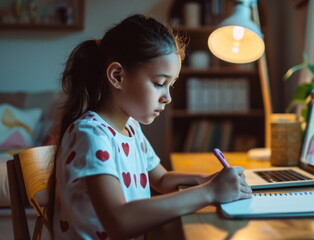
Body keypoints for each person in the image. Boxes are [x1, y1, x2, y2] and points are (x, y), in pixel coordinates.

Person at [46, 14, 252, 239]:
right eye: (159, 84)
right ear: (117, 76)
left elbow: (162, 180)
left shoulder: (131, 128)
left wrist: (206, 180)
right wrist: (210, 192)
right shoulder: (90, 134)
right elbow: (119, 221)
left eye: (170, 85)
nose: (168, 97)